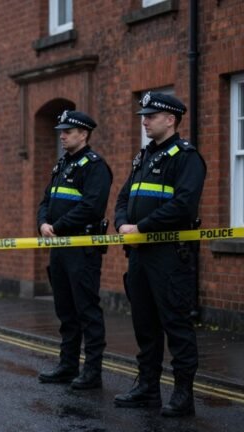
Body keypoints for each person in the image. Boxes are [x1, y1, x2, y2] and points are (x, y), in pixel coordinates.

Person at [114, 92, 206, 417]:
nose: (144, 121)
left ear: (170, 119)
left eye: (151, 116)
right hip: (139, 255)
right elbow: (123, 198)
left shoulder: (186, 157)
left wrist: (142, 227)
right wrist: (122, 224)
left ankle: (183, 395)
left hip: (169, 256)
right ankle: (147, 388)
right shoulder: (143, 157)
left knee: (176, 325)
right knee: (145, 325)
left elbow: (184, 204)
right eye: (144, 115)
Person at [36, 110, 112, 390]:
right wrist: (43, 223)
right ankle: (68, 366)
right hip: (59, 248)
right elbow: (46, 200)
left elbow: (91, 207)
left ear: (84, 134)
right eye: (61, 131)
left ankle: (92, 371)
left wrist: (57, 226)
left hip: (82, 248)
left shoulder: (95, 167)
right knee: (65, 310)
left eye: (68, 131)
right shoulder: (62, 165)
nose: (62, 135)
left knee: (87, 311)